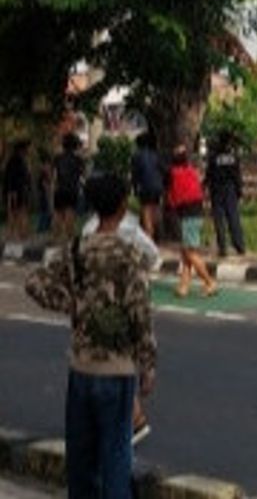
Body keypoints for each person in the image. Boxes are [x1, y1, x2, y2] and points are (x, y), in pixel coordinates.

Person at [25, 173, 156, 499]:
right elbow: (140, 312)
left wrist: (72, 305)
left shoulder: (76, 249)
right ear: (124, 205)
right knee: (115, 459)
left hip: (81, 369)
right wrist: (148, 364)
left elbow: (34, 282)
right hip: (118, 370)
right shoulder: (129, 254)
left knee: (81, 463)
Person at [82, 205, 162, 447]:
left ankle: (130, 421)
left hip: (105, 305)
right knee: (122, 358)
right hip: (132, 297)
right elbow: (153, 256)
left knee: (109, 364)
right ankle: (133, 418)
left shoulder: (89, 231)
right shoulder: (131, 225)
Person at [165, 145, 217, 298]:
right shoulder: (191, 172)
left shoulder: (172, 174)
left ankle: (209, 282)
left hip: (188, 215)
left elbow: (170, 195)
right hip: (195, 213)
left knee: (190, 252)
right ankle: (184, 286)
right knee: (185, 252)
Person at [205, 132, 245, 258]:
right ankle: (239, 246)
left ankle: (222, 247)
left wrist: (205, 186)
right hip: (230, 190)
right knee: (233, 217)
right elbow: (237, 176)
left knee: (219, 219)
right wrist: (239, 191)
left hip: (217, 190)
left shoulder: (214, 157)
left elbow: (209, 175)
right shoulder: (233, 157)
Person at [130, 132, 164, 241]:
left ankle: (149, 236)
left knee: (146, 210)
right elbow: (163, 170)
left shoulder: (137, 155)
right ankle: (157, 232)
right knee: (155, 208)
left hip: (145, 186)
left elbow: (135, 174)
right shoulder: (156, 155)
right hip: (158, 186)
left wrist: (134, 188)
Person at [52, 133, 87, 239]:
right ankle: (69, 238)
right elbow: (83, 175)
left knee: (57, 214)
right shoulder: (78, 160)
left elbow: (54, 174)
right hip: (72, 189)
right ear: (75, 145)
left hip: (59, 188)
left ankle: (56, 238)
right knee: (70, 213)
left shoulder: (57, 158)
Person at [3, 140, 33, 239]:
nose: (29, 150)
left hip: (20, 190)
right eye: (28, 148)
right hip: (15, 191)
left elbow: (26, 178)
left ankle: (20, 234)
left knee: (20, 212)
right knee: (15, 213)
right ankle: (12, 235)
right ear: (22, 149)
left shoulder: (22, 160)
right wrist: (12, 193)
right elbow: (11, 178)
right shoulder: (15, 160)